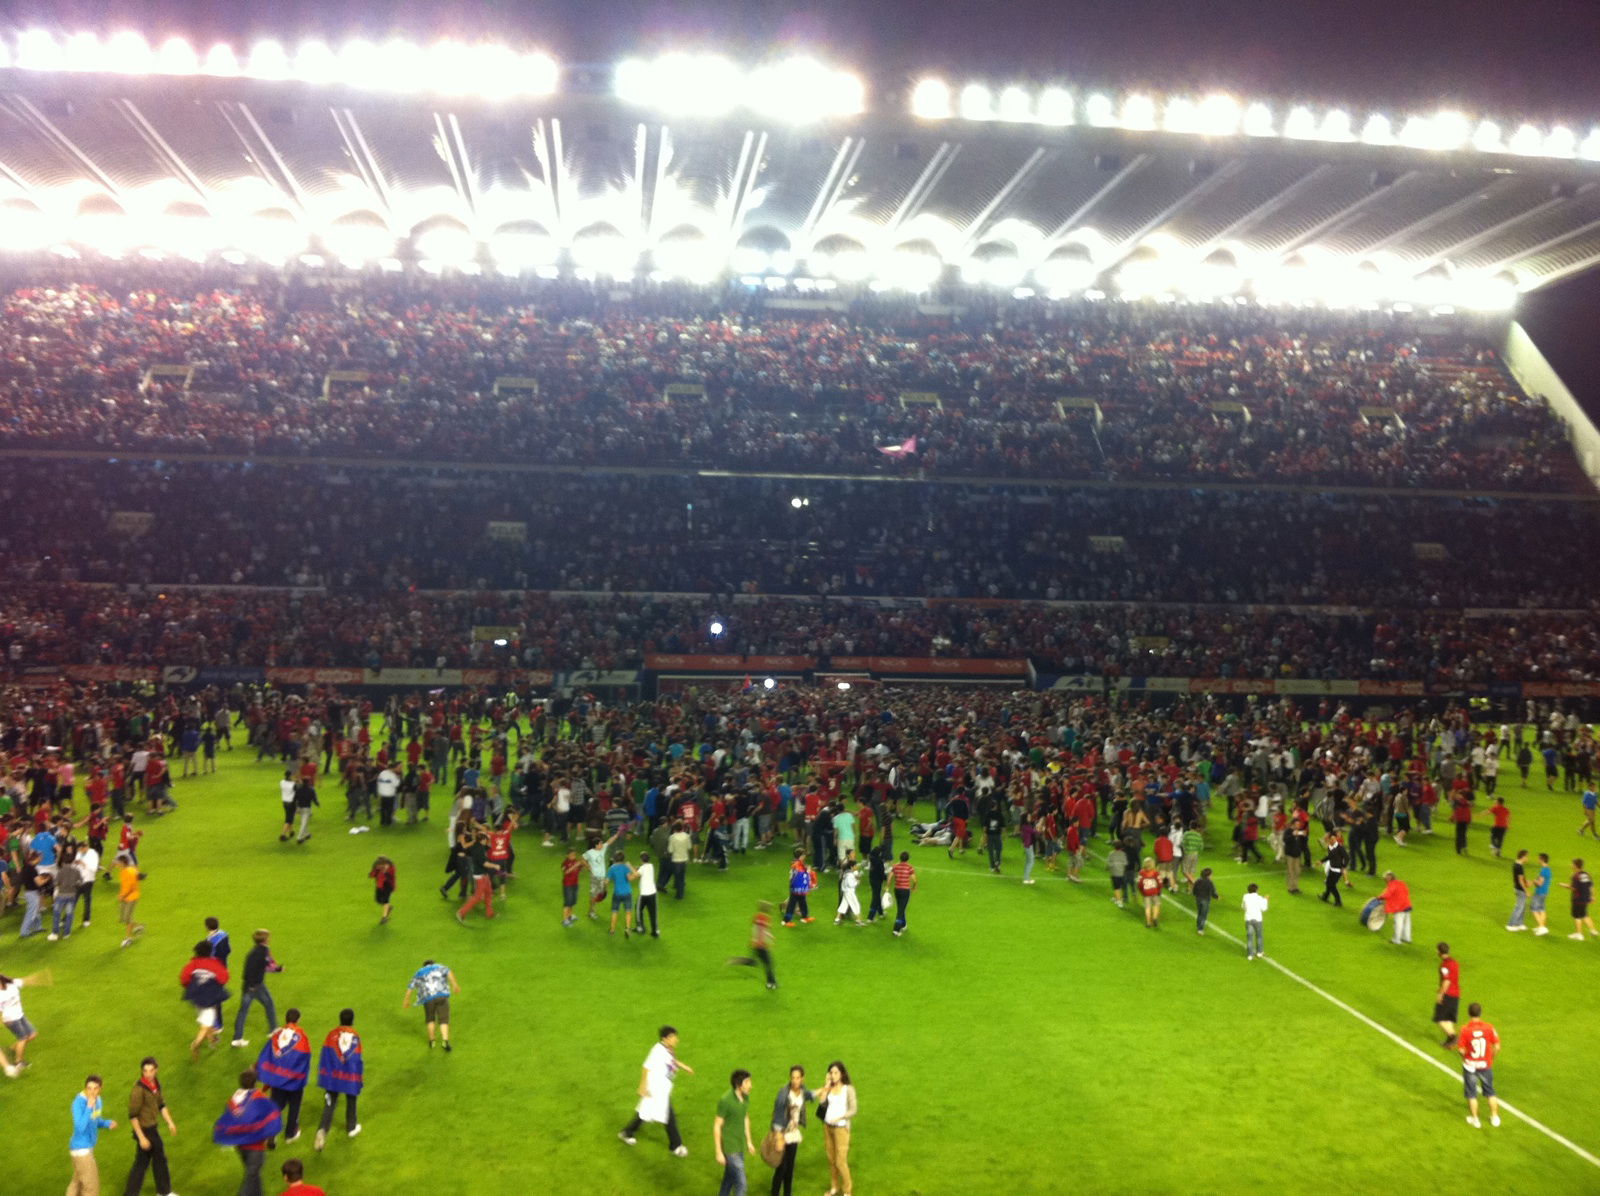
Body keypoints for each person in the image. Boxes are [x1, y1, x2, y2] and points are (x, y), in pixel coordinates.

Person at [619, 1024, 694, 1155]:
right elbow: (646, 1067)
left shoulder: (667, 1049)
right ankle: (676, 1146)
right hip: (655, 1089)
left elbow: (672, 1061)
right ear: (665, 1038)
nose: (676, 1040)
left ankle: (627, 1132)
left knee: (645, 1112)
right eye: (674, 1037)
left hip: (661, 1088)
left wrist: (684, 1066)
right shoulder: (657, 1051)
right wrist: (642, 1087)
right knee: (668, 1116)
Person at [212, 1067, 282, 1196]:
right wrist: (271, 1139)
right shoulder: (258, 1097)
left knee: (254, 1174)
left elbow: (228, 1119)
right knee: (252, 1175)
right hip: (255, 1147)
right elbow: (271, 1116)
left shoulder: (233, 1098)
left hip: (240, 1146)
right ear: (255, 1083)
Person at [124, 1056, 179, 1196]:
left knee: (141, 1163)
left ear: (156, 1070)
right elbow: (133, 1116)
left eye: (151, 1070)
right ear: (142, 1071)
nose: (148, 1074)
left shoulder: (155, 1084)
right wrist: (141, 1138)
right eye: (145, 1071)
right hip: (145, 1129)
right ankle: (164, 1192)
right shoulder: (138, 1091)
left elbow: (161, 1105)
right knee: (160, 1159)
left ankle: (130, 1194)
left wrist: (170, 1122)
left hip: (151, 1127)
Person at [256, 1012, 311, 1144]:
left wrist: (270, 1074)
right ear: (298, 1020)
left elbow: (266, 1055)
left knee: (276, 1105)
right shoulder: (301, 1036)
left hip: (277, 1079)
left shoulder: (276, 1035)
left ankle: (271, 1132)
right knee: (294, 1106)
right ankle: (290, 1134)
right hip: (293, 1080)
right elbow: (305, 1057)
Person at [313, 1009, 362, 1151]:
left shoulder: (331, 1035)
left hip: (333, 1076)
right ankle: (351, 1127)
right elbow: (356, 1059)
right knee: (351, 1099)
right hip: (349, 1076)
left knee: (330, 1104)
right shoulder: (355, 1036)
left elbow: (325, 1055)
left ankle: (322, 1130)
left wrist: (325, 1074)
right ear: (352, 1020)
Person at [179, 941, 231, 1060]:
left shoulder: (192, 964)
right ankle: (195, 1045)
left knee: (208, 1020)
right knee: (206, 1024)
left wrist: (192, 986)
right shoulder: (214, 964)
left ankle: (212, 1040)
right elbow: (224, 978)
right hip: (209, 998)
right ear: (210, 951)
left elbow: (184, 978)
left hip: (196, 998)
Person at [68, 1073, 117, 1196]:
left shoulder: (98, 1100)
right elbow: (80, 1127)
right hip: (81, 1150)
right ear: (85, 1088)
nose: (92, 1092)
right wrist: (89, 1107)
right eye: (89, 1088)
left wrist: (106, 1123)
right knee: (91, 1188)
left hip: (86, 1148)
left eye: (95, 1089)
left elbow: (95, 1120)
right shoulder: (78, 1103)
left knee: (77, 1183)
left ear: (100, 1089)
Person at [232, 929, 282, 1048]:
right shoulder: (263, 952)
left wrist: (277, 969)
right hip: (255, 986)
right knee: (267, 1004)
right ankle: (273, 1029)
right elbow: (266, 967)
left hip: (250, 985)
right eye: (268, 937)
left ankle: (237, 1039)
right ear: (265, 940)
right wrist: (253, 986)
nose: (269, 939)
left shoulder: (254, 951)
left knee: (244, 1011)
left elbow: (262, 967)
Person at [769, 1066, 813, 1196]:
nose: (795, 1080)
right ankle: (774, 1193)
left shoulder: (803, 1091)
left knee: (790, 1169)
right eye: (793, 1077)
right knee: (781, 1168)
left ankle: (787, 1193)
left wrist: (825, 1088)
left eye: (798, 1078)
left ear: (802, 1078)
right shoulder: (783, 1094)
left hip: (793, 1134)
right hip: (782, 1134)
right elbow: (777, 1117)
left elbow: (811, 1095)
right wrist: (778, 1137)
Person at [1457, 1002, 1502, 1129]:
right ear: (1480, 1013)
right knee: (1490, 1092)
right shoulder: (1489, 1028)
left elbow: (1461, 1049)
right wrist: (1490, 1057)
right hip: (1485, 1065)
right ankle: (1494, 1117)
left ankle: (1475, 1119)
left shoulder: (1465, 1029)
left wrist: (1465, 1057)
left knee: (1472, 1094)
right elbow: (1497, 1046)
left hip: (1470, 1066)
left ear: (1469, 1013)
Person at [815, 1060, 857, 1196]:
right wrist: (826, 1085)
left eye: (835, 1072)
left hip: (841, 1129)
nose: (833, 1075)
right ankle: (834, 1187)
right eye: (831, 1073)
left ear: (842, 1074)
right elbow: (821, 1102)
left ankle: (847, 1190)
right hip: (828, 1127)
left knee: (840, 1161)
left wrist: (841, 1117)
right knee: (831, 1159)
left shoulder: (848, 1089)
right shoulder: (830, 1088)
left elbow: (854, 1109)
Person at [713, 1068, 756, 1196]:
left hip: (740, 1145)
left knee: (729, 1179)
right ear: (738, 1084)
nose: (750, 1085)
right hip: (730, 1148)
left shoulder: (745, 1097)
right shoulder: (725, 1100)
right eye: (747, 1082)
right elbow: (717, 1125)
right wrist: (718, 1152)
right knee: (742, 1185)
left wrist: (749, 1141)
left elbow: (745, 1118)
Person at [402, 959, 461, 1050]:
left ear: (424, 966)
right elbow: (449, 972)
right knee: (443, 1020)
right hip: (441, 995)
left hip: (428, 998)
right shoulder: (439, 967)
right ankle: (445, 1041)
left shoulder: (419, 972)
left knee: (430, 1019)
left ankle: (432, 1041)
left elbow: (410, 987)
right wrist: (454, 985)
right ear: (433, 963)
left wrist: (406, 1000)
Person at [0, 969, 48, 1075]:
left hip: (20, 1015)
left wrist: (40, 978)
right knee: (23, 1038)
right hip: (10, 1019)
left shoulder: (12, 983)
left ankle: (12, 1049)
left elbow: (26, 981)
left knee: (33, 1034)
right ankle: (19, 1062)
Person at [727, 900, 778, 989]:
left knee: (754, 962)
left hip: (755, 944)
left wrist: (770, 936)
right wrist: (762, 941)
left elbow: (758, 929)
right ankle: (771, 983)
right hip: (760, 945)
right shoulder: (764, 919)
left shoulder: (757, 917)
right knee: (769, 963)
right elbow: (761, 930)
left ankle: (735, 960)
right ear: (766, 909)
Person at [1561, 858, 1597, 939]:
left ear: (1575, 866)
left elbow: (1573, 888)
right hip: (1586, 898)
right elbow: (1591, 886)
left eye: (1572, 864)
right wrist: (1592, 896)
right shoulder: (1586, 874)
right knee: (1584, 915)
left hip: (1578, 899)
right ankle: (1593, 930)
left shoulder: (1575, 876)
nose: (1571, 865)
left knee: (1577, 916)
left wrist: (1564, 885)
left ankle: (1579, 934)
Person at [1434, 942, 1461, 1047]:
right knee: (1449, 1019)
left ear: (1439, 952)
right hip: (1456, 994)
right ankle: (1450, 1040)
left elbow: (1447, 981)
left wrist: (1441, 994)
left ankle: (1453, 1036)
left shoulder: (1444, 966)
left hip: (1448, 994)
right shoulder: (1455, 962)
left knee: (1440, 1019)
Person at [607, 850, 638, 937]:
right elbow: (630, 878)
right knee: (628, 911)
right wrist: (633, 873)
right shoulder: (625, 867)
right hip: (627, 893)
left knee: (614, 911)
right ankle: (627, 928)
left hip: (617, 893)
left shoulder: (611, 868)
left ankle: (612, 930)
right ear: (623, 858)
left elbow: (607, 881)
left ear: (614, 858)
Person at [118, 853, 147, 947]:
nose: (117, 864)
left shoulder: (126, 872)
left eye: (118, 862)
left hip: (131, 897)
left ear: (122, 863)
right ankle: (139, 927)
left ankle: (128, 938)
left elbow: (129, 887)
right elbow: (139, 875)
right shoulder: (131, 869)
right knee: (125, 919)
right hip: (128, 896)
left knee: (128, 918)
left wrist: (122, 896)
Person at [783, 850, 816, 927]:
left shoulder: (799, 864)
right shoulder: (796, 865)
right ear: (801, 856)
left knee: (802, 902)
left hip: (800, 888)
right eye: (804, 855)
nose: (805, 856)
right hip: (796, 887)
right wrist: (808, 871)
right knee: (792, 904)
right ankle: (786, 920)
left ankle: (805, 917)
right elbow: (797, 875)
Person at [1380, 871, 1413, 945]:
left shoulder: (1392, 885)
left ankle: (1396, 940)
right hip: (1407, 904)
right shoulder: (1401, 883)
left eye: (1385, 878)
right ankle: (1407, 938)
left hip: (1399, 907)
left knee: (1398, 923)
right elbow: (1407, 892)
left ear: (1389, 878)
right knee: (1407, 922)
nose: (1385, 880)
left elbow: (1387, 895)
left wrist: (1379, 897)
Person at [890, 851, 918, 937]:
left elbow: (890, 877)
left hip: (897, 890)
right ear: (908, 859)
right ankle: (896, 930)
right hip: (905, 890)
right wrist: (914, 887)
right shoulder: (909, 867)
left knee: (901, 908)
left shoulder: (895, 866)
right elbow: (914, 880)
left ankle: (903, 925)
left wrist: (887, 886)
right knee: (901, 910)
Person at [1319, 833, 1348, 907]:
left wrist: (1343, 866)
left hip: (1337, 871)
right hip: (1332, 869)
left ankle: (1338, 901)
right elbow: (1330, 856)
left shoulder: (1340, 848)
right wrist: (1321, 861)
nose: (1333, 841)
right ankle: (1325, 897)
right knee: (1329, 883)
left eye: (1334, 839)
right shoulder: (1329, 847)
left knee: (1331, 885)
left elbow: (1347, 857)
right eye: (1331, 839)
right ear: (1328, 839)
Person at [636, 850, 660, 938]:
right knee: (653, 913)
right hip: (653, 893)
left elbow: (635, 875)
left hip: (644, 894)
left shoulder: (642, 869)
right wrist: (637, 867)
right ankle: (655, 931)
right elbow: (641, 868)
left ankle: (640, 928)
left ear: (641, 859)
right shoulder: (651, 866)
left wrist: (629, 866)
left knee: (638, 910)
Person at [1242, 882, 1269, 960]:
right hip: (1257, 919)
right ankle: (1259, 953)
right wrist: (1266, 900)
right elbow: (1264, 908)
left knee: (1250, 937)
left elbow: (1243, 907)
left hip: (1248, 919)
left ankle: (1250, 955)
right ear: (1256, 890)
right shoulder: (1259, 898)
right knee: (1259, 936)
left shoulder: (1245, 896)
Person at [1506, 849, 1532, 931]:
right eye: (1527, 856)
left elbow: (1520, 878)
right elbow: (1520, 881)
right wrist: (1526, 890)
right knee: (1519, 907)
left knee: (1523, 907)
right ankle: (1510, 924)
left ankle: (1519, 924)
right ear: (1523, 857)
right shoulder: (1519, 867)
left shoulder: (1517, 864)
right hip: (1520, 890)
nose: (1528, 858)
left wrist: (1526, 881)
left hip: (1518, 888)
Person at [834, 858, 864, 926]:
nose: (856, 867)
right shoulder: (849, 875)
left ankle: (837, 919)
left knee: (843, 905)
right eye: (855, 866)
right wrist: (858, 881)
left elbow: (855, 874)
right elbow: (851, 885)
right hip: (849, 892)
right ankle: (858, 921)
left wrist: (857, 876)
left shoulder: (847, 872)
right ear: (851, 867)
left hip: (846, 892)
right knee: (856, 905)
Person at [1136, 858, 1163, 929]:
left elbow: (1139, 884)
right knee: (1156, 905)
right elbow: (1160, 883)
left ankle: (1148, 923)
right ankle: (1154, 918)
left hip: (1146, 893)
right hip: (1155, 892)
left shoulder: (1141, 872)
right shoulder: (1156, 873)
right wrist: (1158, 890)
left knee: (1147, 908)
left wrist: (1142, 891)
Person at [368, 857, 396, 925]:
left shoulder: (391, 868)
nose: (378, 865)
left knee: (386, 900)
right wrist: (375, 869)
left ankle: (384, 918)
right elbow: (371, 875)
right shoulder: (377, 869)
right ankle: (388, 907)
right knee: (378, 900)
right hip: (379, 887)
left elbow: (389, 874)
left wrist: (384, 871)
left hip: (388, 886)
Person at [1531, 851, 1553, 935]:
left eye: (1539, 859)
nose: (1538, 860)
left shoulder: (1543, 870)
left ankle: (1541, 927)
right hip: (1545, 892)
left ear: (1542, 859)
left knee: (1534, 909)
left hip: (1540, 892)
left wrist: (1534, 881)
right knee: (1541, 909)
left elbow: (1540, 883)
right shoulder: (1548, 869)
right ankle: (1541, 926)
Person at [1193, 867, 1218, 934]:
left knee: (1199, 913)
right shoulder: (1209, 883)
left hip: (1198, 898)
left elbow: (1194, 889)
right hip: (1205, 900)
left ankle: (1198, 926)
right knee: (1204, 915)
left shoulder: (1198, 881)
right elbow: (1213, 892)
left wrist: (1195, 895)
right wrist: (1216, 897)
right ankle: (1200, 929)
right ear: (1208, 875)